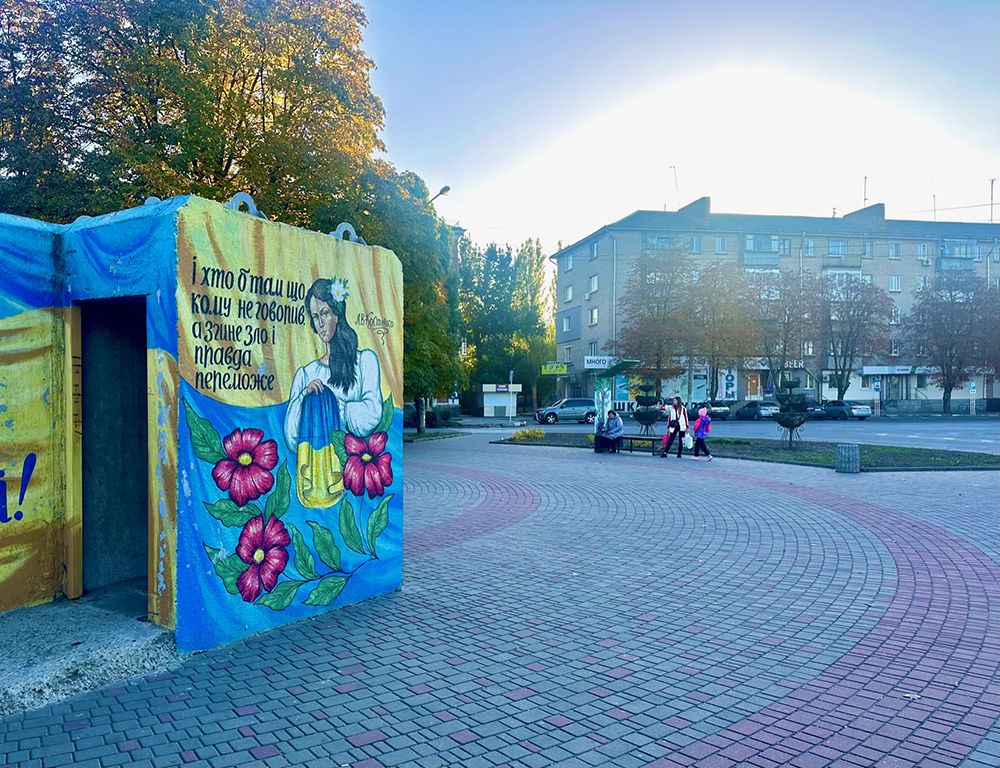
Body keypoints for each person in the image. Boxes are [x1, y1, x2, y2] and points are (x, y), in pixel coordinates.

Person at [284, 278, 383, 508]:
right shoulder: (306, 374)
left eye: (324, 312)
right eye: (315, 316)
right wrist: (305, 398)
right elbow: (291, 437)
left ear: (337, 313)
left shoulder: (364, 361)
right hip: (314, 483)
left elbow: (373, 413)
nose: (319, 323)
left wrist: (337, 406)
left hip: (352, 480)